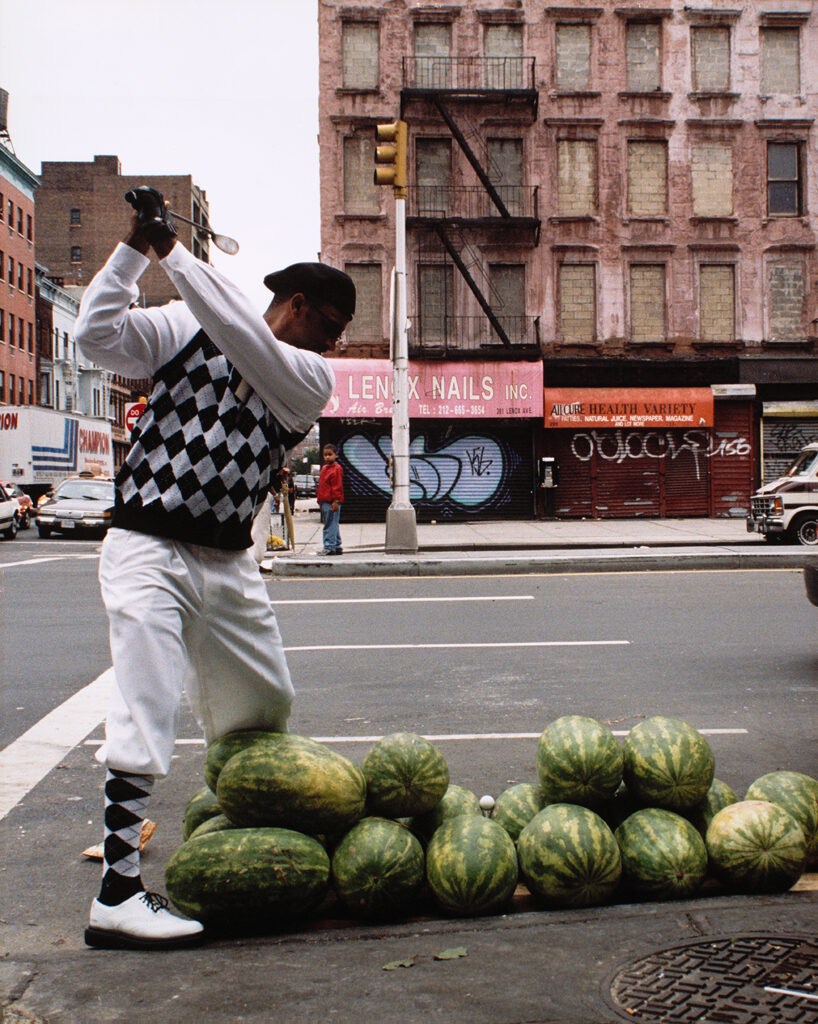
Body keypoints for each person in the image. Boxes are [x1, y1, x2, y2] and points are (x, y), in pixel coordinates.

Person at [74, 186, 354, 949]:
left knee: (263, 703)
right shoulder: (183, 321)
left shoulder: (306, 379)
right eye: (326, 326)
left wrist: (173, 252)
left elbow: (242, 338)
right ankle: (118, 894)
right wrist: (134, 249)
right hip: (148, 545)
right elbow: (95, 337)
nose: (331, 346)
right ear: (296, 303)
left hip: (229, 562)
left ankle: (245, 835)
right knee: (147, 703)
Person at [316, 442, 344, 555]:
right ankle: (336, 545)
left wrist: (336, 501)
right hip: (325, 500)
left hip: (331, 501)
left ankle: (329, 546)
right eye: (325, 455)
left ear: (336, 455)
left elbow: (337, 486)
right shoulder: (325, 468)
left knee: (329, 524)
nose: (327, 457)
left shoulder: (336, 469)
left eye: (330, 454)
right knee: (333, 523)